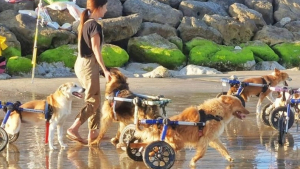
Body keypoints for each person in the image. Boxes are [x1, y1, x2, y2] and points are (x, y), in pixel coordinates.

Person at [66, 0, 111, 145]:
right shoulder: (94, 25)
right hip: (88, 64)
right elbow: (96, 50)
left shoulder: (86, 23)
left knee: (95, 98)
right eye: (105, 6)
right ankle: (73, 128)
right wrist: (105, 70)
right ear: (99, 7)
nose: (106, 9)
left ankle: (94, 133)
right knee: (93, 100)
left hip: (83, 63)